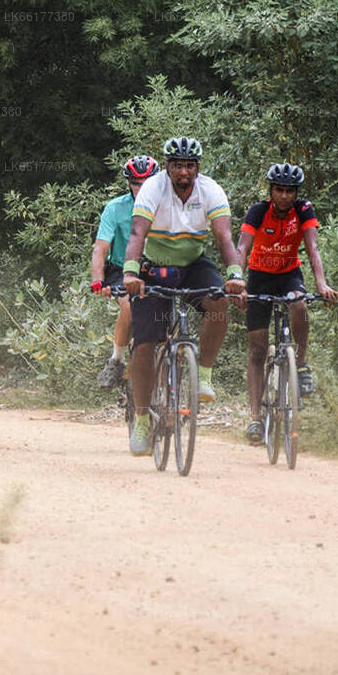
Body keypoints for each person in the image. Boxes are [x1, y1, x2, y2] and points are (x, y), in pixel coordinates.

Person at [122, 136, 246, 456]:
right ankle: (141, 419)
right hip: (154, 267)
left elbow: (224, 236)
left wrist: (235, 275)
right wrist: (131, 272)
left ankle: (203, 375)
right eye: (177, 165)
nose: (183, 172)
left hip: (192, 264)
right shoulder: (152, 188)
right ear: (167, 167)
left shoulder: (211, 190)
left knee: (218, 301)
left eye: (189, 165)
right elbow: (137, 232)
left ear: (197, 167)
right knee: (145, 343)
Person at [236, 162, 338, 444]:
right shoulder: (258, 211)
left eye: (290, 191)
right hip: (259, 278)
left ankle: (301, 364)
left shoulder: (303, 210)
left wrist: (321, 284)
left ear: (296, 193)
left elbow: (312, 248)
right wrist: (238, 282)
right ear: (271, 191)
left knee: (299, 304)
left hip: (289, 276)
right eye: (279, 190)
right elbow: (242, 247)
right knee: (257, 351)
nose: (284, 196)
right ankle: (255, 418)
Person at [91, 155, 160, 389]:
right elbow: (100, 248)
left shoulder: (167, 206)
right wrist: (98, 280)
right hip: (121, 268)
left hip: (156, 267)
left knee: (169, 313)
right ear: (129, 183)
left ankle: (172, 371)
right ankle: (116, 360)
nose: (141, 189)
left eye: (147, 183)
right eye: (136, 183)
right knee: (129, 307)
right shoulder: (115, 208)